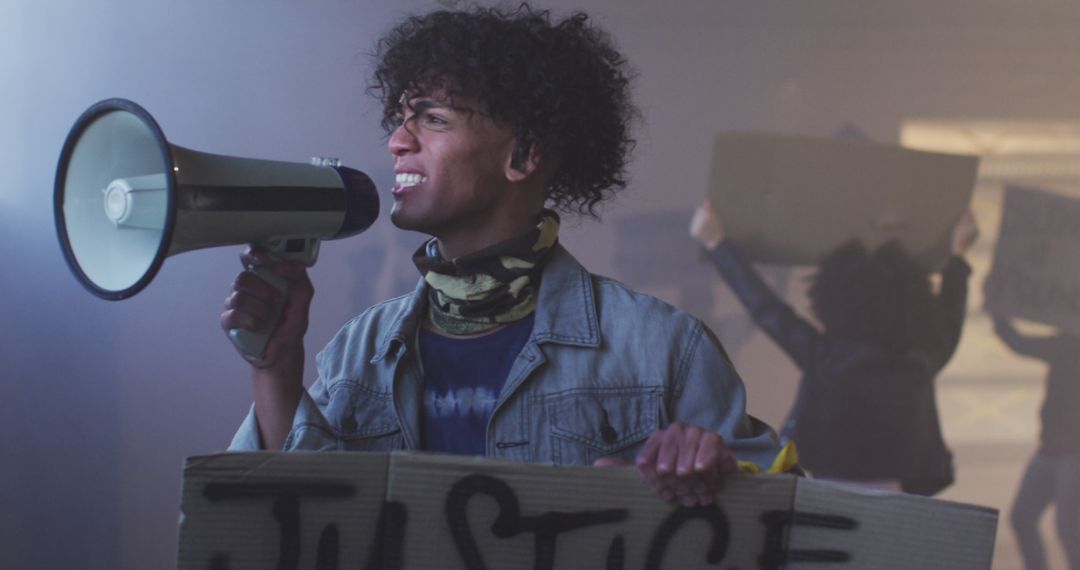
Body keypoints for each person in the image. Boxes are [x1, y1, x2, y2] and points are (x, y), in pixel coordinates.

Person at [221, 4, 787, 508]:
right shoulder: (356, 354)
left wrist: (721, 478)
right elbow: (279, 523)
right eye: (400, 117)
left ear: (525, 154)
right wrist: (275, 368)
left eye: (433, 118)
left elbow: (792, 519)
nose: (396, 140)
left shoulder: (664, 348)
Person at [689, 202, 978, 495]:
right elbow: (950, 322)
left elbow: (768, 310)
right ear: (915, 305)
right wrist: (958, 257)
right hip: (897, 493)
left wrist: (717, 244)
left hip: (823, 488)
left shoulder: (825, 358)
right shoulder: (919, 364)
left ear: (834, 304)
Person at [990, 315, 1080, 570]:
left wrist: (1000, 316)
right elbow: (1018, 342)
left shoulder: (1066, 345)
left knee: (1066, 528)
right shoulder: (1065, 344)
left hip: (1072, 453)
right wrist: (1000, 316)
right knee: (1025, 518)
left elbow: (1018, 342)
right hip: (1051, 448)